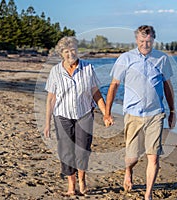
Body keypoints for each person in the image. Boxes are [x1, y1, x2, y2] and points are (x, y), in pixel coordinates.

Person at [104, 25, 176, 200]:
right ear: (137, 40)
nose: (145, 44)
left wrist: (172, 110)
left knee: (153, 157)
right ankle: (128, 170)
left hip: (155, 114)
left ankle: (148, 194)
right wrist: (107, 113)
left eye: (149, 41)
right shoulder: (125, 58)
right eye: (142, 41)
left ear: (153, 40)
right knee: (132, 156)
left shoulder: (162, 59)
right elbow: (114, 86)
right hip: (133, 114)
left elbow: (167, 86)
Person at [44, 36, 106, 196]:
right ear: (61, 54)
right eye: (66, 51)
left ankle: (82, 180)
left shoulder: (88, 68)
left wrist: (106, 113)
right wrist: (47, 123)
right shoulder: (55, 71)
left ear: (77, 51)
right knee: (66, 151)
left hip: (84, 114)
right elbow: (51, 98)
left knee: (83, 149)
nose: (70, 53)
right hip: (62, 115)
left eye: (72, 50)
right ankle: (71, 186)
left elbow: (96, 93)